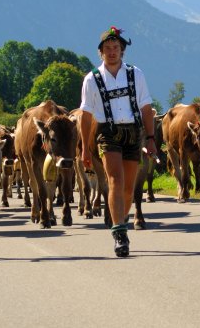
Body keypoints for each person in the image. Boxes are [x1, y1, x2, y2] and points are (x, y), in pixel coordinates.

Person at [79, 26, 158, 257]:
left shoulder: (136, 74)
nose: (112, 52)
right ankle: (120, 233)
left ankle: (120, 218)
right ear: (100, 52)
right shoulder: (91, 79)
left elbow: (146, 108)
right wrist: (85, 146)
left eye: (116, 48)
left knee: (128, 188)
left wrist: (151, 138)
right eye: (107, 48)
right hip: (108, 133)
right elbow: (84, 115)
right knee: (114, 180)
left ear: (122, 51)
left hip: (133, 132)